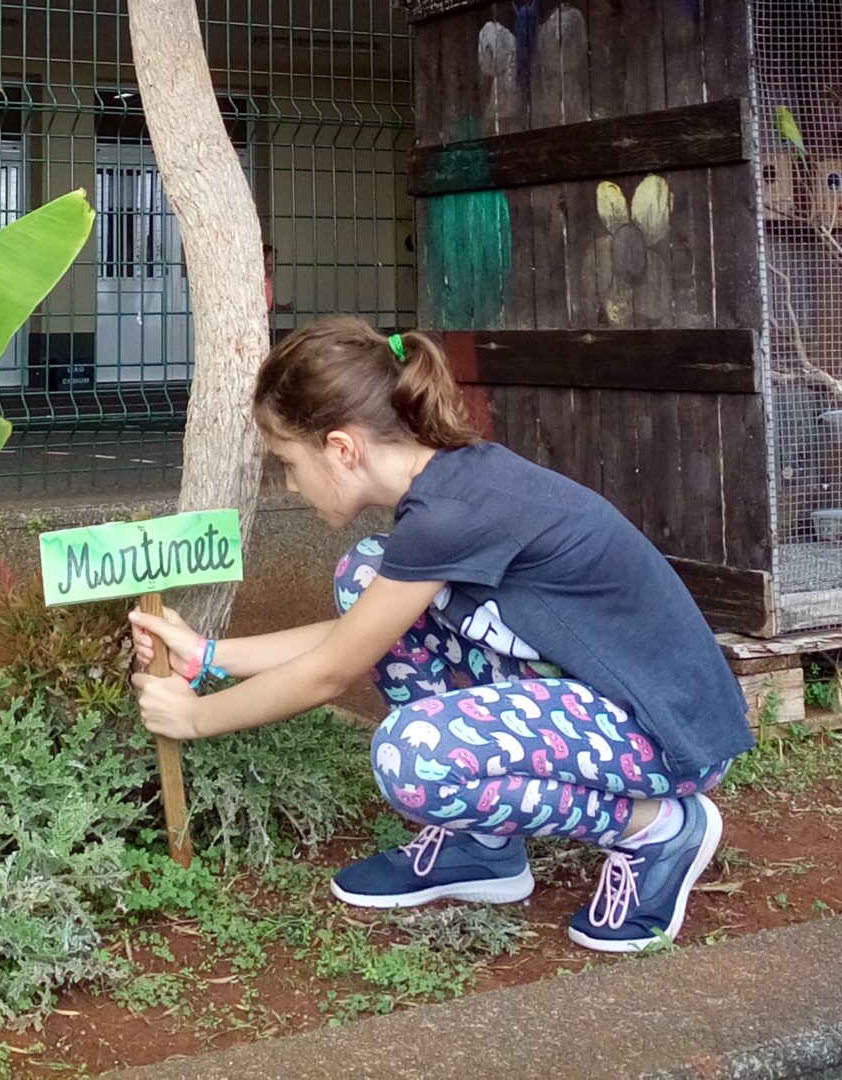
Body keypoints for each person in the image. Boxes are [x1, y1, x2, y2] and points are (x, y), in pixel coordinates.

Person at [130, 319, 752, 952]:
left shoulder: (449, 516)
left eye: (288, 462)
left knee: (411, 755)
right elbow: (361, 631)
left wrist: (196, 719)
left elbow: (331, 671)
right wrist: (208, 655)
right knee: (365, 572)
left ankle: (658, 828)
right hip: (597, 695)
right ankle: (484, 848)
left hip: (669, 734)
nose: (289, 483)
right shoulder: (451, 486)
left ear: (342, 448)